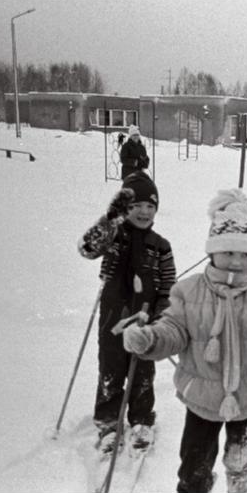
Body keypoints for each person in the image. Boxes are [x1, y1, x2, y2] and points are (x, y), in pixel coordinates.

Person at [121, 189, 247, 493]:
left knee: (240, 457)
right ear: (212, 251)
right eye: (229, 252)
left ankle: (241, 486)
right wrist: (150, 339)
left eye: (245, 254)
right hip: (201, 398)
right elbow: (174, 331)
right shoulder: (187, 291)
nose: (236, 261)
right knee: (194, 464)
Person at [77, 172, 176, 457]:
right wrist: (109, 219)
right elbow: (87, 248)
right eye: (136, 206)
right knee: (111, 368)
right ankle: (109, 423)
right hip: (112, 316)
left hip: (147, 320)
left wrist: (161, 314)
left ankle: (142, 420)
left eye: (150, 206)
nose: (144, 212)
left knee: (143, 370)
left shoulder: (160, 245)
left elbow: (168, 285)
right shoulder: (113, 235)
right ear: (125, 209)